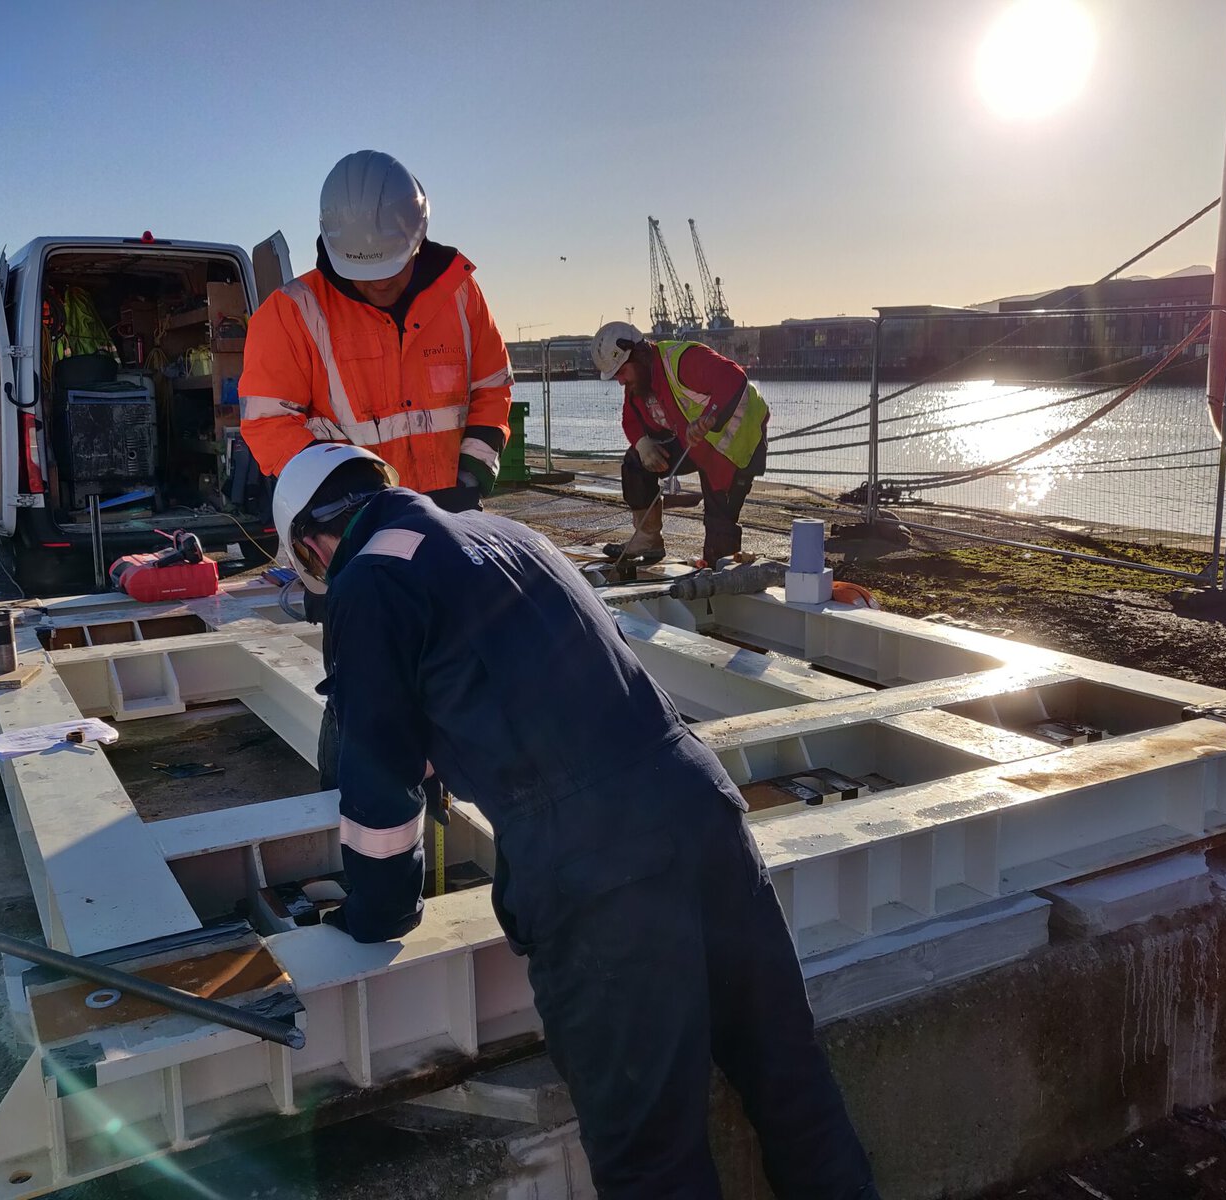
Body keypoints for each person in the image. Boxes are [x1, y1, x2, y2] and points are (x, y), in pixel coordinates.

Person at [272, 442, 880, 1200]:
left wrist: (374, 913)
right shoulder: (506, 532)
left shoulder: (369, 579)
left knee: (654, 1162)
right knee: (795, 1092)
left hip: (599, 873)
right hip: (703, 812)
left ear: (309, 545)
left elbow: (377, 790)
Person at [239, 150, 513, 515]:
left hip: (453, 511)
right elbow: (268, 423)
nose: (381, 283)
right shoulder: (291, 313)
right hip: (349, 523)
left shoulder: (461, 295)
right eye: (366, 274)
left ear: (418, 240)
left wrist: (471, 475)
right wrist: (342, 492)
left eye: (392, 267)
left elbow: (492, 388)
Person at [591, 321, 769, 567]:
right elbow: (630, 420)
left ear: (638, 355)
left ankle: (721, 575)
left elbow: (733, 377)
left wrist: (709, 417)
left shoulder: (683, 360)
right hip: (695, 444)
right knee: (635, 462)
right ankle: (647, 539)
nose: (621, 381)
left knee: (719, 531)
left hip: (737, 449)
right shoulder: (639, 382)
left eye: (621, 372)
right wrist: (643, 444)